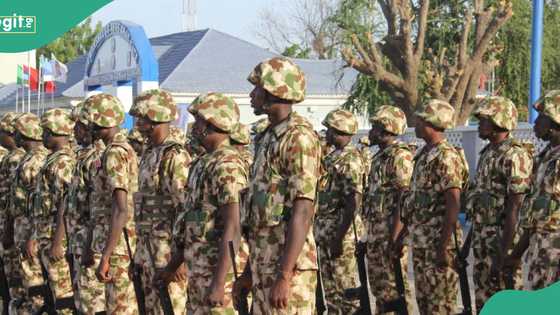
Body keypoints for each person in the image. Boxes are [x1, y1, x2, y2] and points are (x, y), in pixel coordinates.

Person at [233, 57, 322, 314]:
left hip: (288, 270)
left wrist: (284, 276)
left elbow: (303, 210)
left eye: (257, 88)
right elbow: (261, 218)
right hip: (264, 266)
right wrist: (250, 272)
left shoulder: (298, 138)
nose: (252, 95)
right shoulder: (267, 138)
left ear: (274, 91)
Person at [159, 92, 246, 314]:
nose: (194, 126)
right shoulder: (202, 164)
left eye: (198, 120)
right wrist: (172, 266)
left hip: (219, 276)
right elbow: (192, 224)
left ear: (212, 123)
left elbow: (233, 226)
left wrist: (218, 283)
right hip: (199, 273)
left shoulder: (227, 165)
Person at [403, 99, 469, 314]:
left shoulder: (446, 156)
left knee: (441, 305)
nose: (416, 124)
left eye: (420, 120)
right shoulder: (423, 155)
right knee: (426, 304)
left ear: (430, 122)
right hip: (423, 243)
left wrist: (443, 246)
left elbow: (453, 203)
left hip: (439, 243)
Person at [468, 96, 532, 310]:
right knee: (484, 302)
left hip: (502, 245)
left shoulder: (515, 155)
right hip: (483, 243)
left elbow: (516, 208)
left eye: (485, 119)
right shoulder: (488, 154)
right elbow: (478, 205)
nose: (480, 124)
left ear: (500, 121)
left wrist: (505, 255)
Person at [133, 89, 190, 315]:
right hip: (148, 250)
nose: (137, 122)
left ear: (156, 116)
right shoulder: (150, 153)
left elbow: (184, 209)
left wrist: (180, 258)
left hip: (168, 253)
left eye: (142, 116)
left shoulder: (174, 156)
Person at [83, 93, 139, 315]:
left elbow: (121, 207)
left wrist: (106, 255)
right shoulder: (112, 150)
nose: (89, 126)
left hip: (119, 247)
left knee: (120, 308)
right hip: (114, 242)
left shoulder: (115, 153)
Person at [507, 90, 560, 290]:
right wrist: (516, 254)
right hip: (541, 256)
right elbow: (536, 216)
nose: (536, 123)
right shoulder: (545, 158)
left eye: (542, 117)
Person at [364, 105, 414, 314]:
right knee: (380, 290)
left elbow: (403, 199)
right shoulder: (379, 158)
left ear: (387, 129)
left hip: (390, 237)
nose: (370, 132)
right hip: (377, 236)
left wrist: (395, 238)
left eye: (375, 127)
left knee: (395, 290)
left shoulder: (399, 157)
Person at [26, 109, 77, 314]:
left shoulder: (63, 162)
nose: (43, 137)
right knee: (52, 294)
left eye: (46, 132)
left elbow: (65, 204)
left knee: (63, 294)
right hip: (46, 235)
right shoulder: (52, 160)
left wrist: (57, 242)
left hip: (58, 238)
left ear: (57, 132)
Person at [314, 109, 363, 313]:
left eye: (329, 130)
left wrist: (339, 238)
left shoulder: (350, 159)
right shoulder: (334, 157)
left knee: (346, 293)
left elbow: (353, 201)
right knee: (332, 294)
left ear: (338, 131)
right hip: (326, 232)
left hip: (341, 236)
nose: (326, 134)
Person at [67, 103, 107, 314]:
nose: (75, 131)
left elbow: (97, 207)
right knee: (82, 301)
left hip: (92, 243)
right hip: (79, 239)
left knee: (93, 303)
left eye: (80, 126)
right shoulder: (83, 156)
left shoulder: (98, 158)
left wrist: (89, 246)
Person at [10, 113, 50, 314]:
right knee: (25, 285)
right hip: (22, 231)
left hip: (32, 235)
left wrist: (33, 237)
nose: (14, 135)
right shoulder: (27, 159)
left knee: (36, 289)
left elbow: (41, 206)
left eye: (17, 131)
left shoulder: (38, 162)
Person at [0, 112, 26, 313]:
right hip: (13, 225)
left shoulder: (15, 159)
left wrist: (7, 227)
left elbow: (11, 197)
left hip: (16, 226)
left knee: (16, 276)